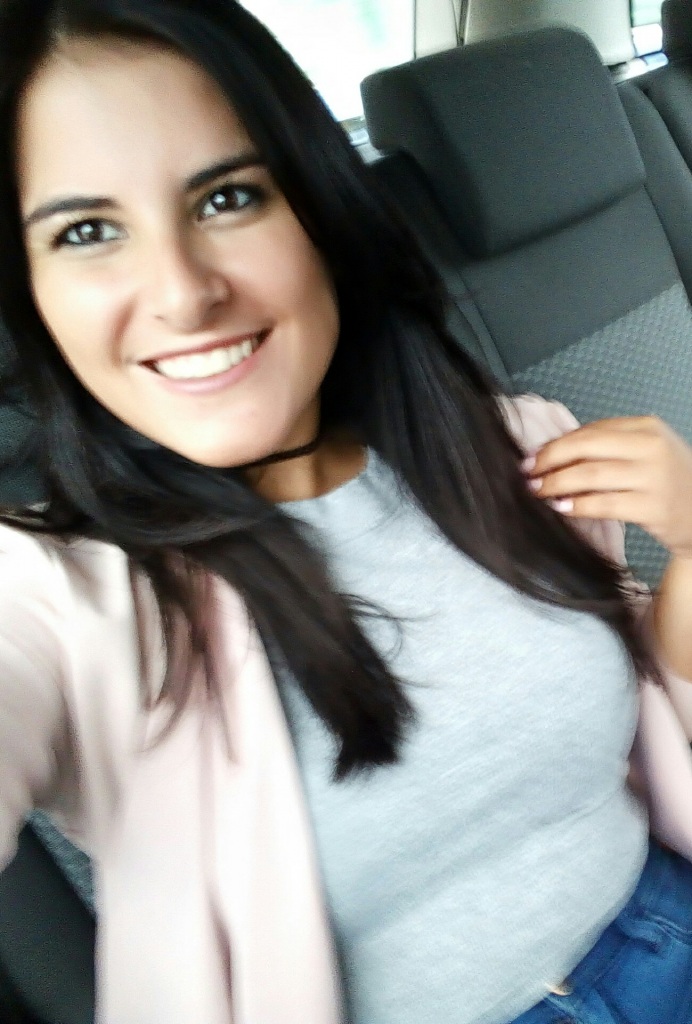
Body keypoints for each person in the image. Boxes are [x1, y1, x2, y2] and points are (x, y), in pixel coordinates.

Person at [0, 1, 691, 1022]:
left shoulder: (516, 445)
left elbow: (656, 692)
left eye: (228, 197)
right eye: (87, 231)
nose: (183, 293)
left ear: (318, 210)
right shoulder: (61, 599)